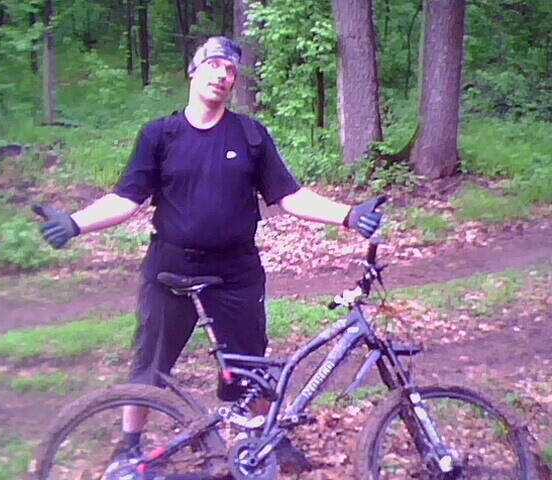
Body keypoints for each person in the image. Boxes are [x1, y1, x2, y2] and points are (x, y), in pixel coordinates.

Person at [35, 36, 383, 479]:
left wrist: (348, 215)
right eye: (215, 64)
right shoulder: (160, 135)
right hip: (171, 269)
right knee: (150, 364)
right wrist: (75, 223)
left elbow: (290, 196)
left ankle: (264, 441)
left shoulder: (250, 135)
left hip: (237, 273)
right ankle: (130, 446)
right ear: (193, 70)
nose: (223, 74)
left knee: (252, 364)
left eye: (231, 70)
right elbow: (127, 198)